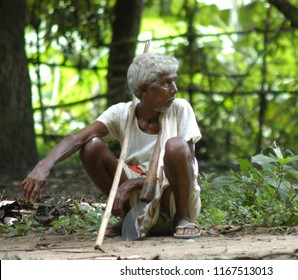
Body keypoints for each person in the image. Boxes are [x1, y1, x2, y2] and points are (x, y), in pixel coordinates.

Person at [21, 53, 202, 239]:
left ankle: (183, 218)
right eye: (167, 83)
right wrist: (44, 165)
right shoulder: (122, 113)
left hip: (171, 196)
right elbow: (78, 138)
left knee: (176, 146)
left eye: (174, 82)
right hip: (135, 196)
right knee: (92, 146)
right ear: (145, 89)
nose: (175, 89)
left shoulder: (180, 108)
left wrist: (139, 181)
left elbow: (188, 165)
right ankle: (128, 217)